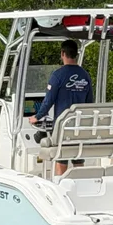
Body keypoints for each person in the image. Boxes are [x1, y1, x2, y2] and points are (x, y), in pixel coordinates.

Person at [28, 39, 94, 176]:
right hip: (80, 127)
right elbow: (89, 103)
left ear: (62, 53)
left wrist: (37, 117)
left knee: (61, 157)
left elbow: (48, 101)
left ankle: (59, 185)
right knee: (78, 156)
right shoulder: (85, 76)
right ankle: (78, 183)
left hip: (63, 127)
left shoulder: (57, 75)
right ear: (76, 54)